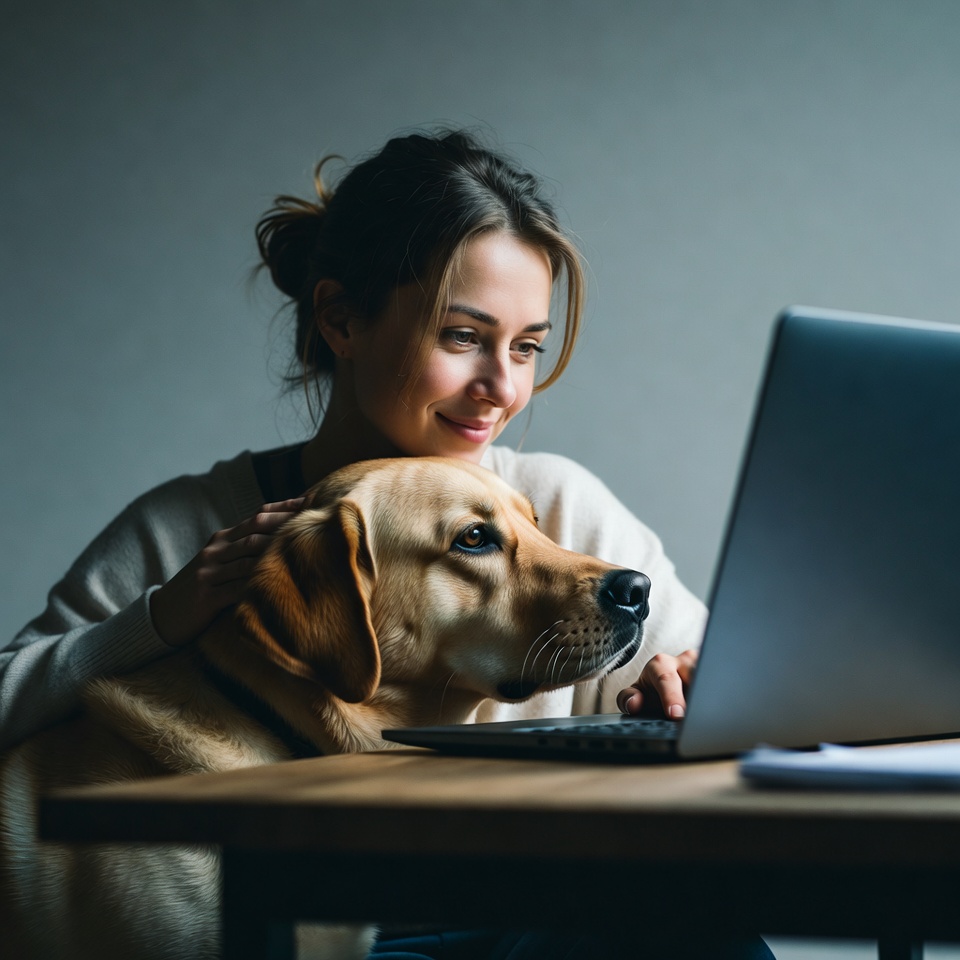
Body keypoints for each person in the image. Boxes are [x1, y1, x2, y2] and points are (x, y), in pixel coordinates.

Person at [0, 128, 771, 960]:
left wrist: (702, 691)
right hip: (340, 908)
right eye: (463, 337)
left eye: (525, 348)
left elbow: (736, 689)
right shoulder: (196, 532)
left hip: (516, 903)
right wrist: (161, 617)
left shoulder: (555, 504)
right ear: (341, 319)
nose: (503, 388)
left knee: (690, 924)